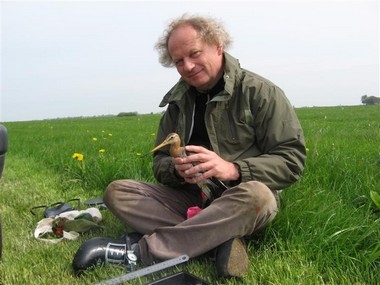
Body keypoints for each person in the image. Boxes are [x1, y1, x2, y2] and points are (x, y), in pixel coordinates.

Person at [73, 14, 306, 278]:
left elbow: (291, 161)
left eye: (194, 53)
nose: (188, 66)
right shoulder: (177, 102)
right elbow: (159, 162)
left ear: (218, 45)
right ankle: (217, 241)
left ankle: (140, 252)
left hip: (238, 199)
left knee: (258, 196)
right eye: (178, 61)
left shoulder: (260, 92)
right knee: (117, 193)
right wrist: (176, 169)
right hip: (193, 197)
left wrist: (232, 169)